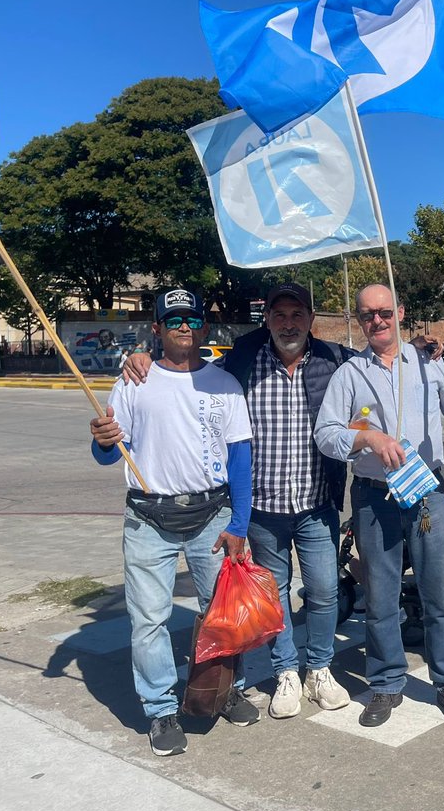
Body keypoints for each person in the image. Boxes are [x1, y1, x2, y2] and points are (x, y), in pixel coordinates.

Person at [123, 283, 357, 719]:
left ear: (311, 319)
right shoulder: (243, 361)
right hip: (266, 508)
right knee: (275, 594)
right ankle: (287, 670)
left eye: (297, 314)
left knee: (325, 592)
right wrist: (141, 358)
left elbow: (379, 363)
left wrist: (419, 350)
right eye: (279, 314)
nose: (289, 323)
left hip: (317, 502)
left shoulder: (335, 361)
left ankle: (319, 668)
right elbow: (189, 374)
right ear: (266, 319)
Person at [89, 289, 260, 757]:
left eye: (192, 318)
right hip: (148, 517)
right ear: (158, 329)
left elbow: (240, 457)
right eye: (174, 319)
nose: (184, 325)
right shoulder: (133, 382)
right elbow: (107, 451)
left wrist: (240, 524)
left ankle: (225, 690)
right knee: (149, 621)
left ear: (203, 328)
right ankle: (161, 708)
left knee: (220, 613)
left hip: (211, 515)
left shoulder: (224, 385)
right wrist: (102, 440)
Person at [315, 284, 444, 728]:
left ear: (401, 312)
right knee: (380, 595)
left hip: (426, 492)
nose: (377, 321)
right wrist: (366, 438)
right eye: (368, 314)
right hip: (375, 497)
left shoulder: (428, 366)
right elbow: (326, 434)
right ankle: (387, 683)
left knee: (438, 592)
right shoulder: (350, 375)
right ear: (359, 319)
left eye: (385, 312)